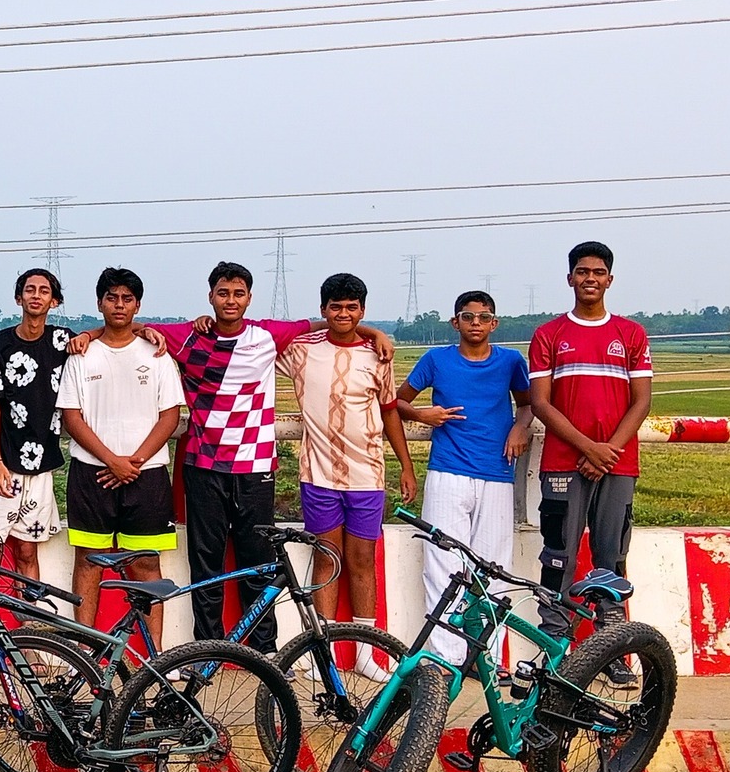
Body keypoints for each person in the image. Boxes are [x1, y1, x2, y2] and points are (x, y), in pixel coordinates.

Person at [137, 261, 393, 652]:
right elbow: (130, 328)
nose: (230, 300)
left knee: (258, 562)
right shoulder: (187, 336)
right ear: (211, 297)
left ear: (249, 298)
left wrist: (374, 331)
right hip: (204, 467)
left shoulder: (267, 334)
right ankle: (206, 648)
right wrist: (86, 335)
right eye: (223, 293)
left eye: (238, 293)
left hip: (256, 468)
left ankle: (264, 649)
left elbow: (329, 323)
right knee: (206, 565)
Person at [277, 273, 415, 681]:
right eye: (335, 307)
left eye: (352, 308)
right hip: (317, 474)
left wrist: (406, 466)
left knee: (361, 561)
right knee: (327, 558)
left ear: (363, 310)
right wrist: (372, 329)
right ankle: (323, 654)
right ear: (323, 310)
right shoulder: (301, 351)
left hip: (367, 475)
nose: (343, 314)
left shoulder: (379, 356)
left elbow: (390, 410)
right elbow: (263, 341)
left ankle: (367, 654)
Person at [528, 241, 651, 686]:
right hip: (564, 462)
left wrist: (607, 451)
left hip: (617, 464)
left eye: (598, 272)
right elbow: (540, 403)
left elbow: (642, 402)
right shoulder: (549, 335)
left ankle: (612, 652)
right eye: (582, 272)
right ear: (570, 279)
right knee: (558, 555)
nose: (590, 279)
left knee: (610, 558)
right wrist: (588, 447)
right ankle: (555, 650)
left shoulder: (631, 334)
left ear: (610, 279)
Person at [395, 289, 533, 666]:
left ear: (494, 323)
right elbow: (397, 402)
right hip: (447, 472)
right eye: (468, 317)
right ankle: (446, 658)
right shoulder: (436, 360)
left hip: (497, 474)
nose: (476, 323)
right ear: (455, 322)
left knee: (493, 568)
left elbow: (527, 404)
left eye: (483, 317)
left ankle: (487, 657)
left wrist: (521, 428)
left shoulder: (510, 362)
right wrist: (424, 415)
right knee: (442, 565)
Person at [57, 269, 185, 644]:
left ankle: (155, 654)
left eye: (127, 298)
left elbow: (170, 416)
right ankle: (83, 651)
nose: (119, 305)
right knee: (88, 562)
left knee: (146, 564)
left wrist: (133, 463)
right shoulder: (82, 353)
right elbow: (71, 416)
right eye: (111, 298)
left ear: (138, 305)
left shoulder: (157, 354)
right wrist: (112, 459)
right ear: (99, 303)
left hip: (147, 476)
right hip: (92, 473)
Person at [0, 268, 71, 582]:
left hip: (41, 463)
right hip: (2, 460)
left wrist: (142, 329)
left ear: (54, 301)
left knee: (27, 552)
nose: (36, 295)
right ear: (19, 298)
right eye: (29, 289)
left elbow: (102, 336)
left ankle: (31, 627)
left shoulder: (63, 341)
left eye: (44, 291)